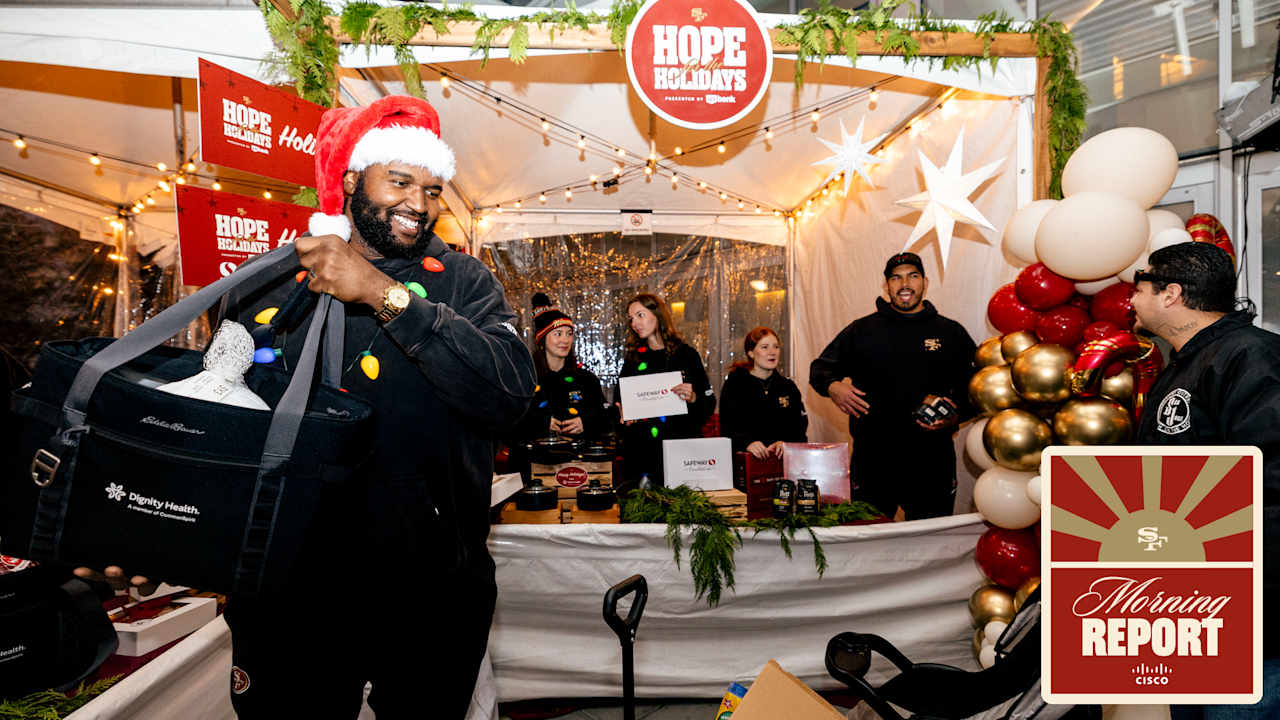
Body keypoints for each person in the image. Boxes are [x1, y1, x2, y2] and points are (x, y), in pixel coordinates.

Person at [79, 96, 536, 719]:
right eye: (400, 181)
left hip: (427, 588)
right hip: (288, 591)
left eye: (432, 190)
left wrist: (382, 293)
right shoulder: (268, 281)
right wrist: (154, 531)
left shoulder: (463, 282)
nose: (419, 203)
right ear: (351, 180)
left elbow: (508, 395)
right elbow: (217, 418)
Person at [1130, 242, 1280, 719]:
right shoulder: (1185, 362)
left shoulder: (1252, 357)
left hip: (1249, 605)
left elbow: (1269, 477)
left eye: (1139, 288)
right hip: (1192, 596)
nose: (1131, 301)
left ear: (1171, 294)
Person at [808, 252, 976, 520]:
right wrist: (834, 386)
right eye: (896, 278)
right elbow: (819, 369)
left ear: (925, 283)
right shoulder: (862, 330)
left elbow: (977, 388)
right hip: (873, 460)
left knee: (930, 540)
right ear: (886, 286)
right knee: (869, 538)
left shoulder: (950, 332)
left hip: (932, 462)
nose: (904, 284)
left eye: (913, 276)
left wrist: (957, 416)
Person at [615, 293, 715, 489]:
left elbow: (709, 404)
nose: (635, 323)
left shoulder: (686, 355)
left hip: (682, 452)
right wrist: (623, 415)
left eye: (640, 315)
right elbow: (619, 404)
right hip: (642, 454)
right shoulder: (633, 359)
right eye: (631, 318)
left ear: (657, 314)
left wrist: (693, 397)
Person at [509, 293, 607, 473]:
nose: (565, 340)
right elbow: (509, 419)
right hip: (531, 468)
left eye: (569, 334)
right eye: (558, 334)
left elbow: (605, 415)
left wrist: (584, 422)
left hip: (576, 470)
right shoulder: (524, 378)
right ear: (542, 338)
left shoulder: (586, 379)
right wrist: (541, 423)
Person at [718, 326, 807, 458]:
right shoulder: (735, 384)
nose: (772, 352)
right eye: (765, 347)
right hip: (746, 460)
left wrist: (785, 443)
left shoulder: (788, 387)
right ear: (751, 353)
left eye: (776, 347)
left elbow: (799, 427)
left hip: (782, 461)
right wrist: (747, 443)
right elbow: (728, 426)